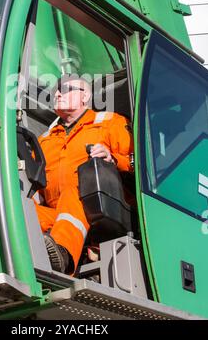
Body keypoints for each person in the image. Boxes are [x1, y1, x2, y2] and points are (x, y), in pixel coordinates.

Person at [34, 74, 133, 274]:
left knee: (75, 191)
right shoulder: (44, 140)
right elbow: (35, 185)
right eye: (57, 92)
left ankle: (62, 257)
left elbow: (137, 163)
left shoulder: (109, 122)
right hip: (60, 214)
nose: (59, 94)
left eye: (67, 89)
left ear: (85, 96)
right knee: (22, 210)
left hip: (104, 206)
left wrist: (112, 158)